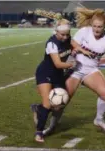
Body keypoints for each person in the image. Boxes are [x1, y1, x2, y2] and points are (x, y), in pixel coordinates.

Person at [44, 7, 105, 135]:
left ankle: (99, 119)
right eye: (95, 26)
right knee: (63, 99)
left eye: (100, 27)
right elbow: (73, 43)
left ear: (104, 26)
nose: (97, 29)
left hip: (91, 70)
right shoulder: (84, 31)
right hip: (75, 69)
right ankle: (52, 126)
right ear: (91, 24)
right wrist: (80, 50)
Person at [31, 10, 91, 143]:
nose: (65, 37)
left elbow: (74, 44)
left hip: (58, 75)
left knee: (59, 104)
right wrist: (73, 64)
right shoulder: (51, 43)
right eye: (62, 35)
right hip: (45, 73)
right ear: (56, 32)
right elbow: (58, 64)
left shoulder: (68, 37)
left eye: (67, 35)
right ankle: (39, 132)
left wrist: (83, 50)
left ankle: (37, 108)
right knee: (48, 103)